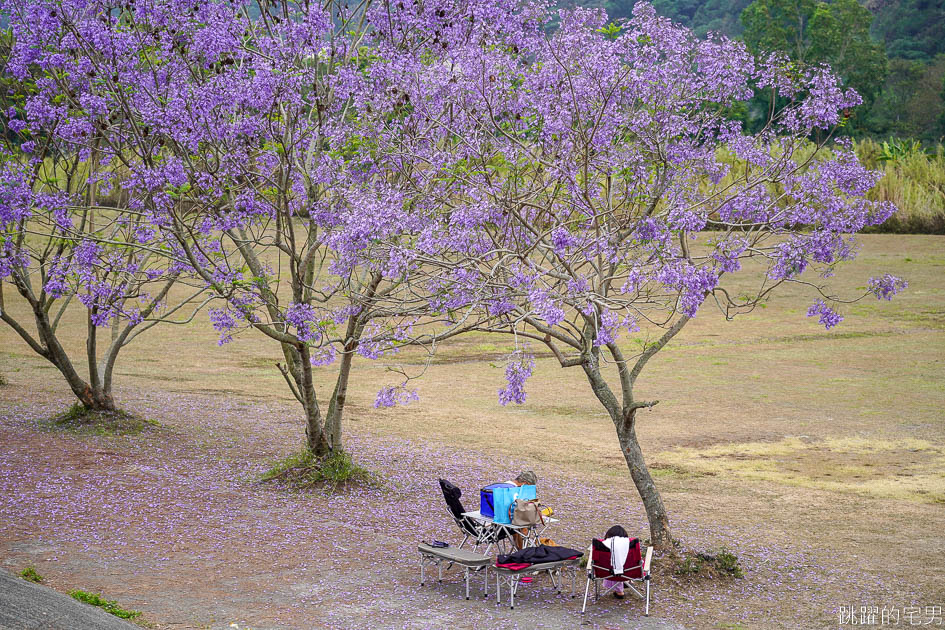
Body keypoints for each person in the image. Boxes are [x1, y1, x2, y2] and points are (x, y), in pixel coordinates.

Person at [603, 525, 629, 599]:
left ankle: (619, 590)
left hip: (604, 572)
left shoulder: (601, 546)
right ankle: (624, 584)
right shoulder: (629, 546)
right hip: (628, 573)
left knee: (610, 565)